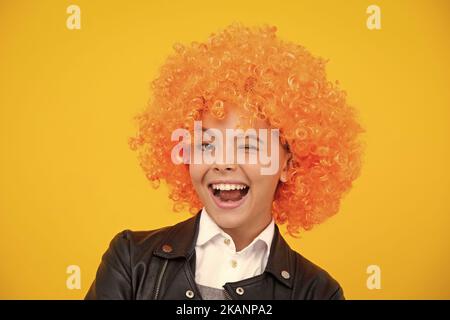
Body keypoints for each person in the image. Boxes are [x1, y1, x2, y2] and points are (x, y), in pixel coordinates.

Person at [85, 22, 364, 300]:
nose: (223, 162)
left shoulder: (317, 293)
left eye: (247, 145)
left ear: (288, 165)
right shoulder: (132, 262)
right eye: (206, 144)